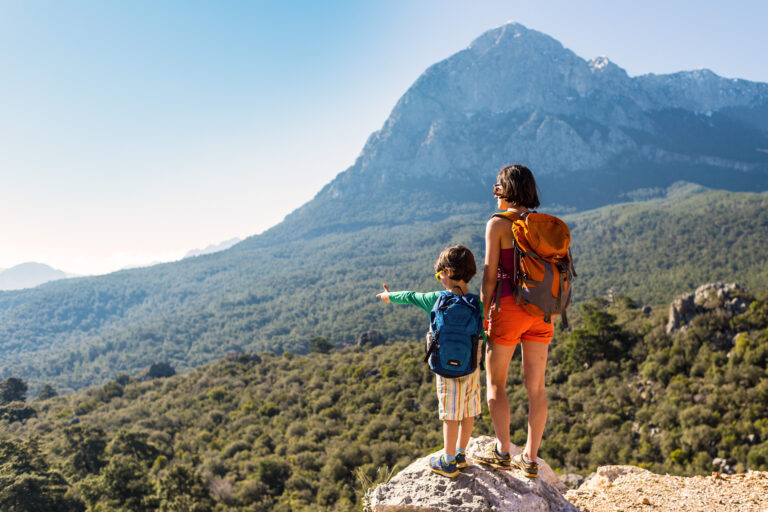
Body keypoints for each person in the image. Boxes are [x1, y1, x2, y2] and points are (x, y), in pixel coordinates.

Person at [376, 245, 484, 478]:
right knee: (467, 412)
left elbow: (410, 296)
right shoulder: (478, 303)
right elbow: (484, 335)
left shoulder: (436, 299)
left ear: (447, 273)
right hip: (471, 368)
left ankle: (447, 461)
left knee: (449, 415)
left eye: (439, 275)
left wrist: (388, 296)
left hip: (445, 370)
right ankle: (461, 454)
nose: (439, 279)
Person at [475, 164, 551, 479]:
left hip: (508, 309)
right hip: (541, 312)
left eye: (497, 187)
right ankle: (531, 459)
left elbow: (490, 276)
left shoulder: (498, 224)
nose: (495, 193)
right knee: (537, 388)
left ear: (506, 190)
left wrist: (481, 315)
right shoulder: (544, 224)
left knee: (496, 384)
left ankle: (504, 451)